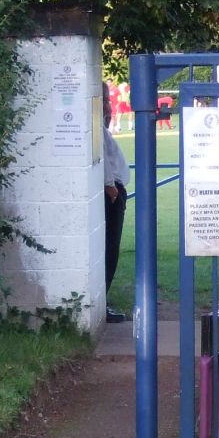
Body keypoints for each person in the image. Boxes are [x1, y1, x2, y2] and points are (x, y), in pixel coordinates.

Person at [102, 83, 129, 323]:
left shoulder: (100, 128)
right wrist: (111, 189)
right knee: (109, 249)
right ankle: (102, 304)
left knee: (111, 249)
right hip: (111, 193)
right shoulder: (96, 130)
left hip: (114, 191)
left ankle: (102, 301)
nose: (109, 108)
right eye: (106, 102)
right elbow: (103, 161)